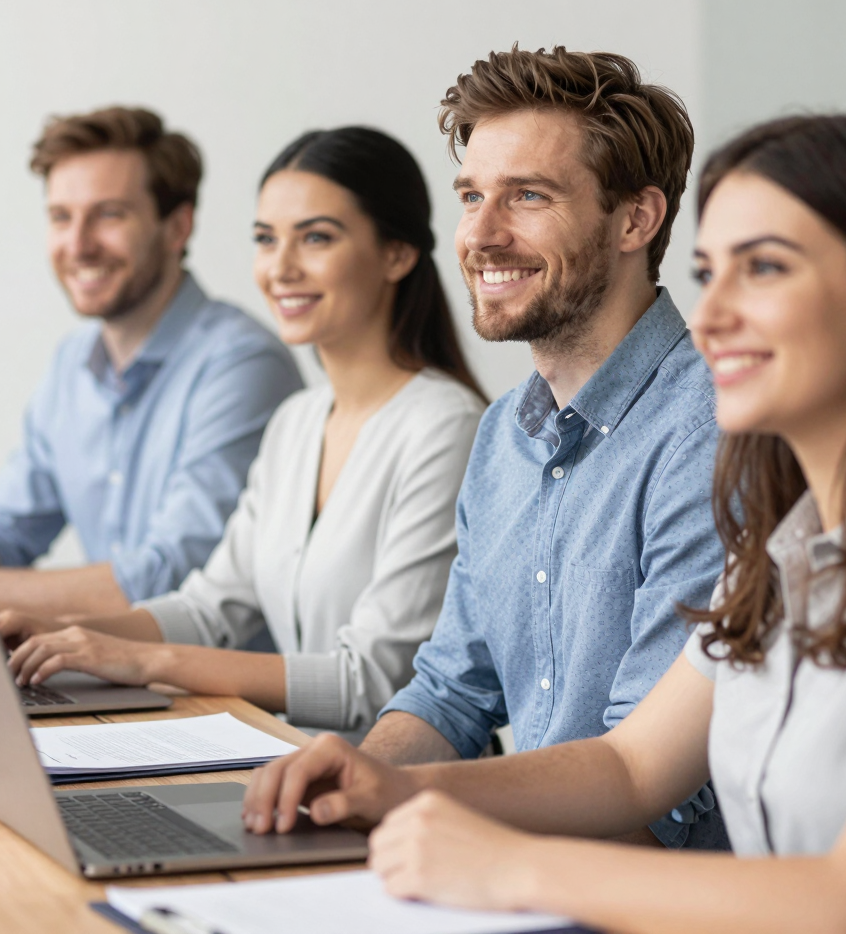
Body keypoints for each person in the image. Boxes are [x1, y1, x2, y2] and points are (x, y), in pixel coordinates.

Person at [247, 112, 846, 933]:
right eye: (711, 274)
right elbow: (633, 766)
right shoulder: (780, 554)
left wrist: (507, 866)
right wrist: (390, 786)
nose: (709, 318)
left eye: (767, 269)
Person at [244, 47, 727, 846]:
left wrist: (403, 804)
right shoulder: (506, 433)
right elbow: (451, 694)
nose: (479, 235)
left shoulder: (709, 433)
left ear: (636, 219)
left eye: (528, 196)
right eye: (472, 195)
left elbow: (649, 788)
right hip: (517, 868)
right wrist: (350, 788)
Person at [0, 126, 487, 734]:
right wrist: (69, 635)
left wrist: (141, 660)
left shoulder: (446, 428)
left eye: (315, 238)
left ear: (397, 253)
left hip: (410, 792)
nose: (279, 268)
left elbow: (375, 679)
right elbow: (209, 608)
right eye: (265, 239)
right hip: (293, 769)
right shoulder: (297, 423)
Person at [0, 106, 302, 617]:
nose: (77, 245)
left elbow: (168, 574)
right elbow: (5, 526)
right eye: (61, 217)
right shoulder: (72, 363)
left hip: (219, 690)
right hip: (112, 679)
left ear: (177, 227)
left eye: (108, 214)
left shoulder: (243, 365)